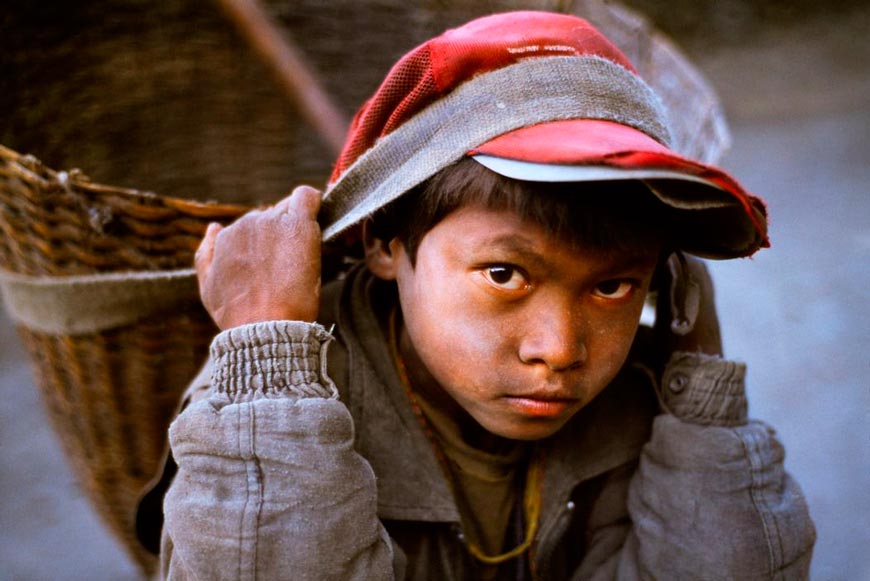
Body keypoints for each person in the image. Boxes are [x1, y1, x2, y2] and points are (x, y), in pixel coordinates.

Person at [157, 11, 815, 579]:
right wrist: (266, 347)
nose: (558, 350)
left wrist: (702, 397)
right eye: (504, 274)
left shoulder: (640, 406)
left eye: (612, 284)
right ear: (387, 242)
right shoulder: (268, 408)